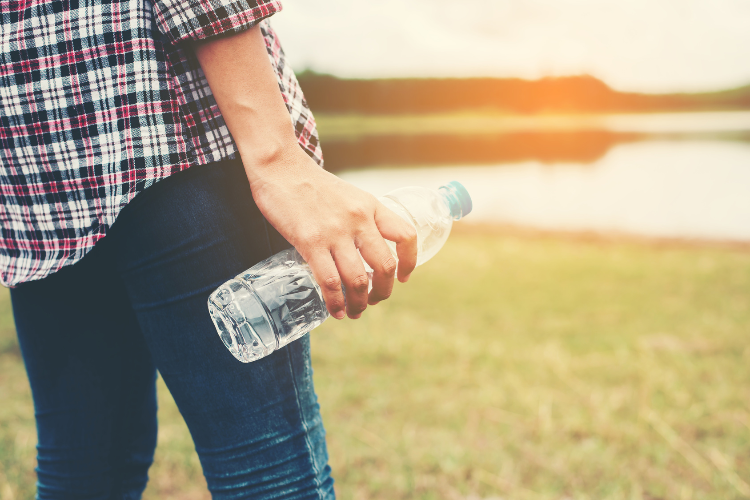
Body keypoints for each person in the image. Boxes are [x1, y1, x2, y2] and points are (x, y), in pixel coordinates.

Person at [1, 0, 417, 498]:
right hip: (164, 124)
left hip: (33, 161)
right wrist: (275, 155)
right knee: (265, 472)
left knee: (84, 472)